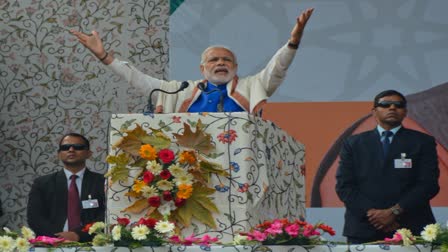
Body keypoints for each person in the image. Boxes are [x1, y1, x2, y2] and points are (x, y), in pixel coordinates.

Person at [70, 8, 314, 114]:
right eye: (214, 60)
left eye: (227, 60)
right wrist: (104, 56)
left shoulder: (251, 87)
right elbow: (137, 78)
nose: (221, 63)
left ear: (235, 67)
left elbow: (277, 68)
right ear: (202, 68)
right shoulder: (178, 91)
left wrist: (292, 42)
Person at [335, 90, 440, 244]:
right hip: (363, 227)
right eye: (385, 104)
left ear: (405, 112)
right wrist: (372, 214)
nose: (392, 108)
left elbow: (428, 184)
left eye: (398, 105)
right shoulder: (353, 143)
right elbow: (345, 186)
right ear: (374, 111)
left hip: (410, 227)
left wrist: (394, 211)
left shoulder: (423, 142)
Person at [27, 133, 105, 242]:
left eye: (78, 147)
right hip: (52, 244)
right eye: (65, 147)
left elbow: (105, 215)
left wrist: (78, 235)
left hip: (92, 242)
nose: (71, 150)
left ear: (89, 153)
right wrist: (58, 238)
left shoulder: (102, 182)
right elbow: (35, 218)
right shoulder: (42, 183)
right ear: (59, 154)